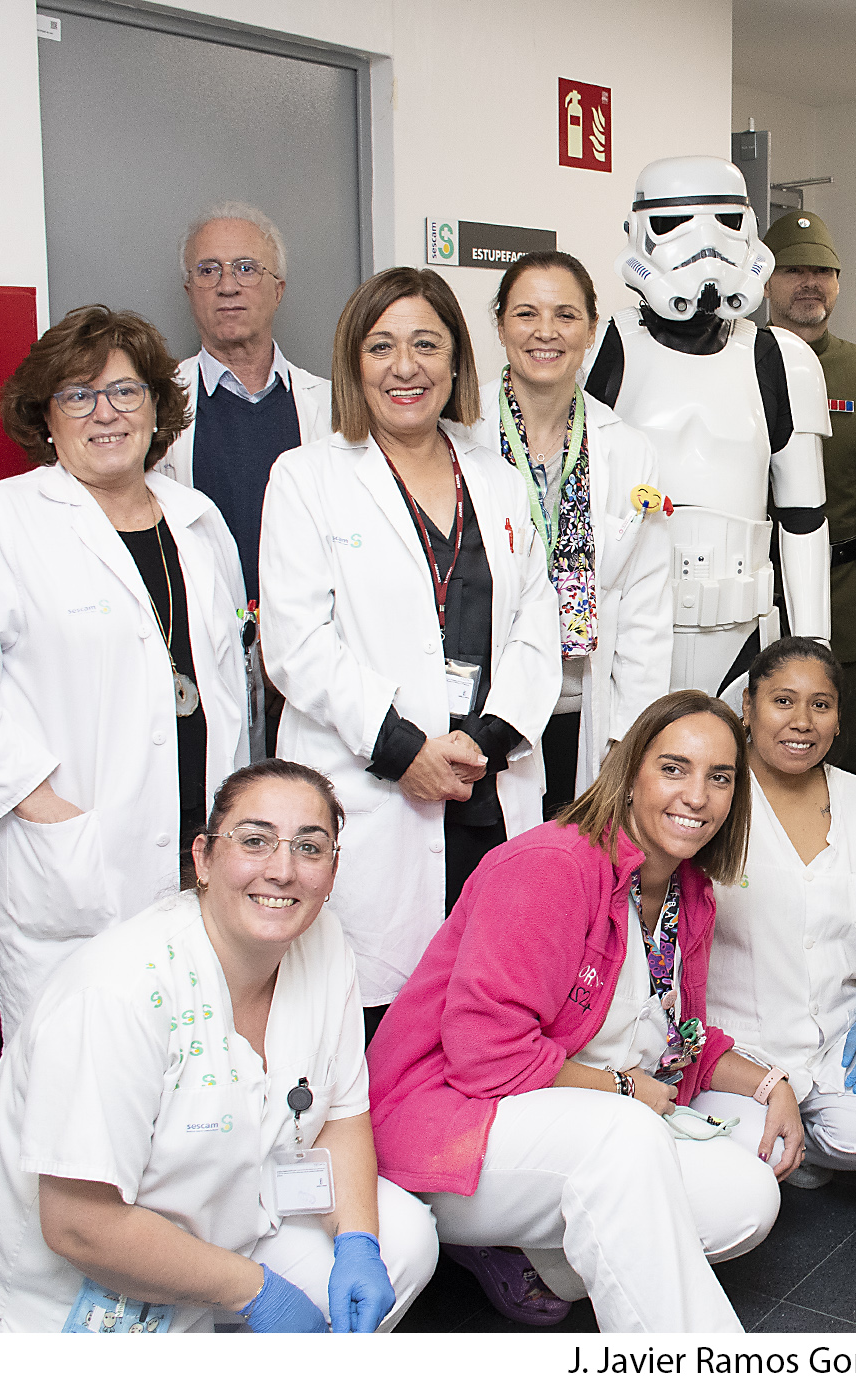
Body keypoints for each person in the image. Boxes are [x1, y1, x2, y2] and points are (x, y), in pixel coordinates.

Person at [0, 760, 439, 1332]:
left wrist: (359, 1246)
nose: (283, 870)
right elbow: (79, 1225)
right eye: (254, 841)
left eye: (310, 849)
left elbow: (342, 1112)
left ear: (333, 869)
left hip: (227, 1226)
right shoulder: (120, 991)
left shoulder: (323, 945)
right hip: (65, 1300)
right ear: (203, 858)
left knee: (404, 1237)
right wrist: (259, 1293)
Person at [367, 691, 796, 1333]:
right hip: (450, 1124)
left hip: (578, 1123)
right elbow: (486, 1057)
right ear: (628, 776)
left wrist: (771, 1084)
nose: (697, 796)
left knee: (748, 1198)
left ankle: (539, 1252)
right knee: (623, 1135)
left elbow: (677, 1036)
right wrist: (623, 1090)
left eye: (720, 777)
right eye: (674, 768)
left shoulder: (688, 892)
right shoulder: (552, 866)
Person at [0, 305, 250, 1037]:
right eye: (78, 395)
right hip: (86, 852)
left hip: (203, 847)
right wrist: (40, 805)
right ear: (46, 415)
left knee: (199, 1072)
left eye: (126, 391)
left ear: (157, 406)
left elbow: (224, 676)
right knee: (82, 1085)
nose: (107, 413)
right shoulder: (0, 521)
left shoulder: (196, 520)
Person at [259, 267, 560, 1020]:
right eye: (382, 346)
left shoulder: (497, 479)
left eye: (426, 344)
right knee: (374, 1019)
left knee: (488, 999)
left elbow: (534, 618)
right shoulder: (307, 478)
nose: (405, 367)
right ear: (353, 362)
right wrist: (403, 750)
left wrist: (487, 739)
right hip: (377, 785)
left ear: (456, 360)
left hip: (483, 785)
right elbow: (298, 642)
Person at [585, 155, 832, 697]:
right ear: (637, 234)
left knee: (739, 777)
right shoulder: (599, 348)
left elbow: (804, 519)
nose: (706, 247)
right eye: (674, 224)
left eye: (725, 223)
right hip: (630, 634)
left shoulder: (780, 359)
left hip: (745, 633)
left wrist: (814, 652)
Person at [708, 637, 856, 1188]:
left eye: (820, 705)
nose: (802, 721)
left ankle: (806, 1139)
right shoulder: (717, 800)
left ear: (838, 719)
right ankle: (789, 1140)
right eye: (783, 701)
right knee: (745, 1177)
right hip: (739, 1050)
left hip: (838, 1045)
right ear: (748, 707)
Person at [470, 250, 672, 813]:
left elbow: (644, 609)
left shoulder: (626, 448)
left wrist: (628, 738)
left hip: (585, 707)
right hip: (485, 707)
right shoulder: (461, 432)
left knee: (576, 867)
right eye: (526, 313)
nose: (546, 332)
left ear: (589, 329)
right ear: (501, 324)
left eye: (565, 315)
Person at [157, 203, 334, 758]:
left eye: (246, 268)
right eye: (208, 270)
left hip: (311, 644)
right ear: (189, 290)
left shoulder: (329, 406)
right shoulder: (153, 406)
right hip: (198, 642)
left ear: (278, 288)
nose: (227, 285)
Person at [761, 210, 856, 772]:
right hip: (761, 589)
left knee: (853, 726)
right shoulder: (738, 363)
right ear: (765, 279)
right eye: (793, 269)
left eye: (822, 270)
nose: (809, 283)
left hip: (848, 591)